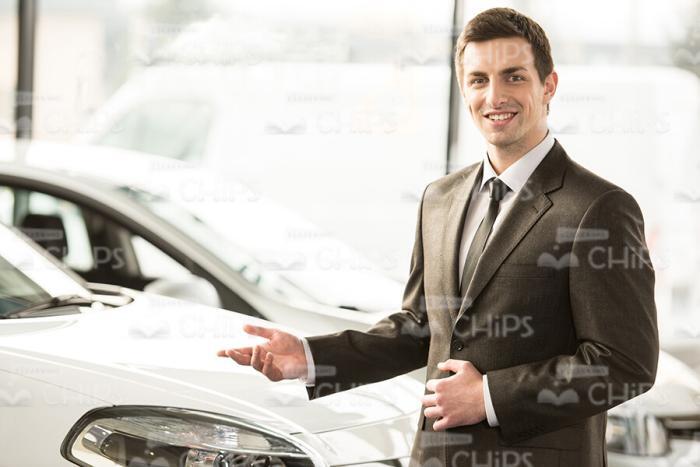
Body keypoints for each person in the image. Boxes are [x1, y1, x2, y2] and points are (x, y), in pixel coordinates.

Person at [218, 7, 658, 467]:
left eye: (513, 77)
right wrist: (310, 357)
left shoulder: (598, 207)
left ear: (548, 85)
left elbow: (625, 363)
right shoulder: (440, 198)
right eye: (479, 80)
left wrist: (488, 397)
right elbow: (421, 327)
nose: (495, 96)